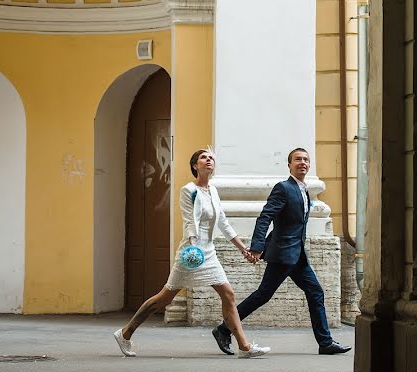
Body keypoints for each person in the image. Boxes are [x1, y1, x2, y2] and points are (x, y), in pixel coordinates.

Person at [114, 148, 270, 358]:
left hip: (209, 251)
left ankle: (244, 347)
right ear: (195, 166)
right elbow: (189, 222)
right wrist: (194, 247)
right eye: (203, 158)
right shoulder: (189, 190)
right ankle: (125, 333)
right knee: (164, 298)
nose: (208, 160)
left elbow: (222, 223)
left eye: (211, 157)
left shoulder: (213, 191)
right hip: (192, 253)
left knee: (228, 294)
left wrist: (244, 249)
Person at [211, 147, 351, 356]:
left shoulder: (304, 191)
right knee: (263, 295)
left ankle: (325, 342)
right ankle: (223, 329)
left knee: (315, 292)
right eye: (297, 160)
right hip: (283, 253)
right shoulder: (283, 188)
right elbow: (265, 217)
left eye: (305, 160)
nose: (302, 163)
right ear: (289, 165)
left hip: (297, 255)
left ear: (309, 165)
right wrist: (257, 247)